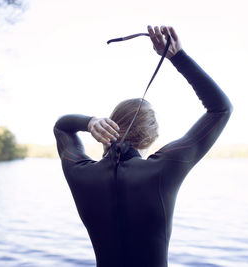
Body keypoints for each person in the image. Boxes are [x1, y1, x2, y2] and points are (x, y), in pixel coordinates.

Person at [54, 25, 232, 267]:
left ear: (109, 124)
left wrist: (89, 122)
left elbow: (61, 127)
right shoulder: (163, 169)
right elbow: (220, 109)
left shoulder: (80, 173)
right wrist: (177, 57)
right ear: (150, 138)